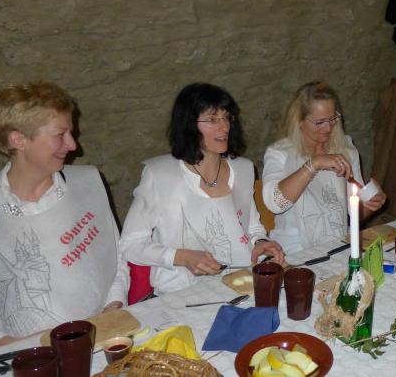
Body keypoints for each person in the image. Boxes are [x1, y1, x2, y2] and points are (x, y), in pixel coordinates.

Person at [0, 82, 128, 352]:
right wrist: (12, 346)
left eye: (71, 132)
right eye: (60, 134)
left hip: (104, 337)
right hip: (26, 357)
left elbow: (118, 258)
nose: (73, 145)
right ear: (18, 140)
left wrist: (112, 308)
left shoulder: (87, 183)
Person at [120, 83, 284, 295]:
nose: (224, 127)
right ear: (188, 124)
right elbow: (130, 245)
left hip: (240, 283)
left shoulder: (243, 169)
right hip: (181, 292)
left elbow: (252, 228)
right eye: (213, 120)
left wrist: (260, 242)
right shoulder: (160, 175)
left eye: (226, 118)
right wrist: (182, 257)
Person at [262, 82, 386, 254]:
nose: (328, 128)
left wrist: (371, 204)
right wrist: (314, 164)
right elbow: (275, 204)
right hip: (293, 250)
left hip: (339, 242)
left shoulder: (345, 149)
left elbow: (353, 214)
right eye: (319, 122)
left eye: (333, 118)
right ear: (299, 121)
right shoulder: (280, 153)